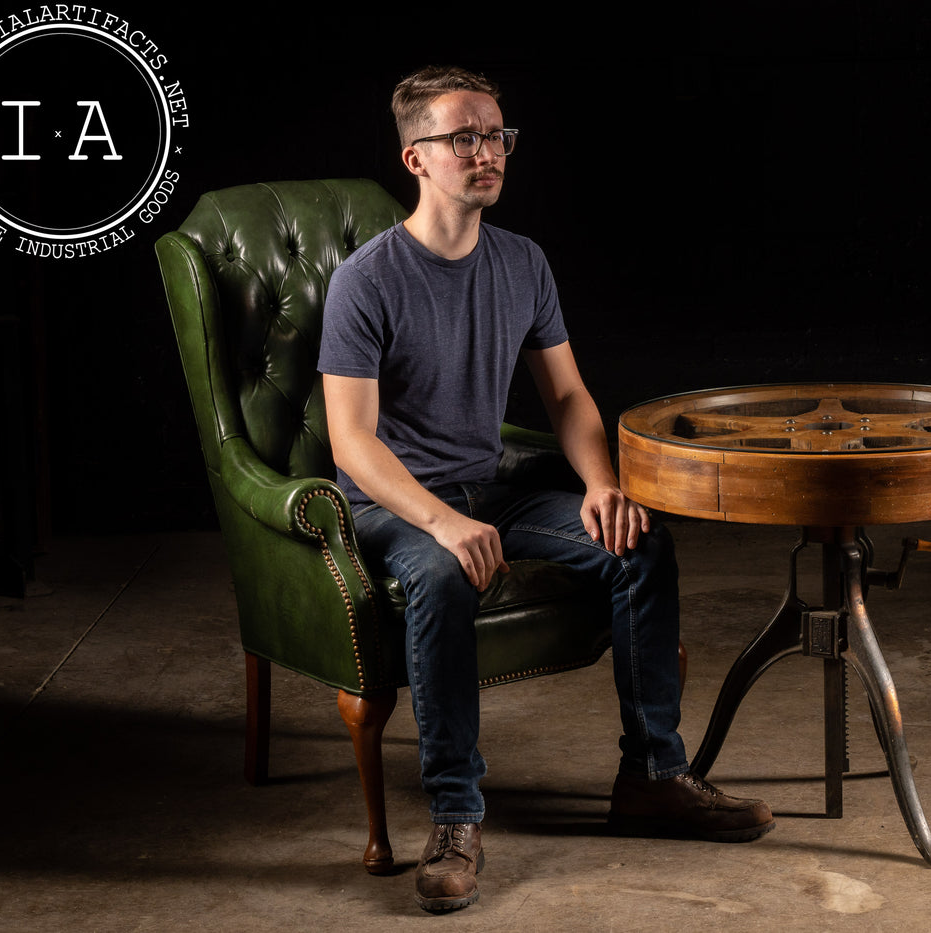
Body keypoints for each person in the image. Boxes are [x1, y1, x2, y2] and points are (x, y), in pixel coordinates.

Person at [317, 65, 774, 913]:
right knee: (443, 571)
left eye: (496, 135)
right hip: (394, 505)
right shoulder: (366, 280)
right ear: (415, 157)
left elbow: (566, 396)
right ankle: (456, 817)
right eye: (464, 137)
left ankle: (652, 775)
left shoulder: (522, 261)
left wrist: (602, 483)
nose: (486, 152)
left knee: (639, 540)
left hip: (490, 486)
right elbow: (352, 441)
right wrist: (444, 522)